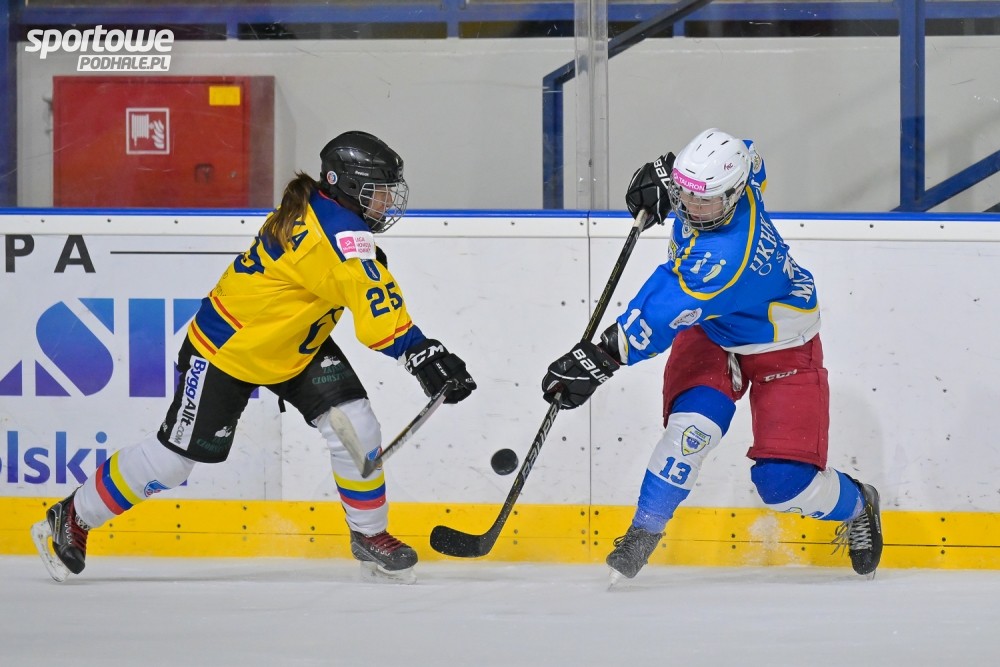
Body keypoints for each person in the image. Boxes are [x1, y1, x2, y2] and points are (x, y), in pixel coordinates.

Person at [32, 130, 477, 584]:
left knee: (356, 424)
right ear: (342, 184)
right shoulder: (338, 235)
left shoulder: (322, 206)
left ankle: (369, 534)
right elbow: (376, 307)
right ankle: (73, 514)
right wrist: (422, 354)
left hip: (293, 344)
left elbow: (362, 287)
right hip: (228, 348)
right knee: (172, 462)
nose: (385, 202)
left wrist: (421, 351)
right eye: (376, 191)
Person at [541, 128, 883, 583]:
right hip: (712, 329)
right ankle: (643, 532)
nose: (691, 208)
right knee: (692, 430)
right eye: (685, 195)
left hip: (782, 344)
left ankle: (859, 504)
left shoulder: (724, 256)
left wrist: (599, 359)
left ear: (734, 194)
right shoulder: (741, 176)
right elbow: (747, 152)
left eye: (704, 201)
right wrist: (667, 175)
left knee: (783, 485)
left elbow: (658, 315)